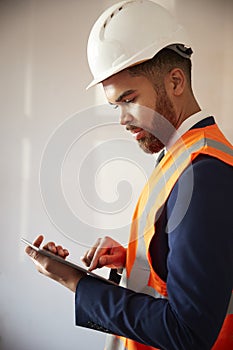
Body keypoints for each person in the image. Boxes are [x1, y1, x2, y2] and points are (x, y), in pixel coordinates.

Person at [25, 1, 233, 349]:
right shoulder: (180, 155)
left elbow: (188, 333)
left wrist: (77, 284)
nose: (122, 119)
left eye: (129, 99)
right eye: (115, 106)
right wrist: (132, 259)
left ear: (176, 82)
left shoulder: (204, 175)